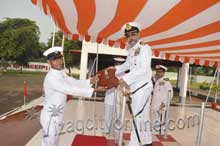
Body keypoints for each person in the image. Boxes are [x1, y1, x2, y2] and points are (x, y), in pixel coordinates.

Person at [40, 46, 98, 146]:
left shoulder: (61, 73)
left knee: (55, 142)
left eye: (59, 59)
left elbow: (73, 82)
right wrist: (92, 91)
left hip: (58, 115)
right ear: (49, 62)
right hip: (50, 117)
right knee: (49, 143)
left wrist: (90, 81)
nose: (58, 62)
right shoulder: (51, 78)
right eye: (55, 60)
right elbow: (69, 89)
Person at [108, 22, 153, 146]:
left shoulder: (145, 48)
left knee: (137, 116)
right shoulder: (131, 50)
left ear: (139, 34)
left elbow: (144, 69)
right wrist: (113, 70)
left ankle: (133, 144)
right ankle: (147, 141)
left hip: (143, 87)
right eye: (127, 36)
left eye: (133, 34)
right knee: (143, 116)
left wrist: (125, 79)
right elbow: (127, 65)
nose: (131, 38)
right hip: (135, 87)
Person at [103, 57, 125, 136]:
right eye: (116, 64)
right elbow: (104, 82)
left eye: (119, 64)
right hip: (109, 97)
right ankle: (106, 131)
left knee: (118, 116)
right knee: (107, 115)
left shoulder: (125, 75)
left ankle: (117, 132)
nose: (117, 66)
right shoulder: (109, 72)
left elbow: (126, 87)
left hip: (119, 99)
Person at [151, 65, 173, 135]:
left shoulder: (166, 82)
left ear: (164, 73)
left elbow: (170, 93)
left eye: (160, 72)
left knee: (161, 123)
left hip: (161, 106)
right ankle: (154, 135)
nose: (158, 73)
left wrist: (164, 103)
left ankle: (160, 136)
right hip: (155, 106)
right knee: (155, 121)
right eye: (157, 72)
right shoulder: (157, 81)